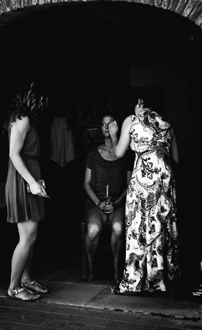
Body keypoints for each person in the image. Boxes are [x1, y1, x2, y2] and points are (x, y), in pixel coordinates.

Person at [113, 98, 180, 294]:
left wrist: (116, 133)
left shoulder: (132, 120)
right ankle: (164, 278)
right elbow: (176, 158)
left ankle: (136, 280)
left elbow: (118, 152)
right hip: (164, 178)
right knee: (163, 224)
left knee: (139, 226)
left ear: (140, 102)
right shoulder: (168, 123)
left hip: (143, 178)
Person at [4, 82, 51, 302]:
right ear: (31, 97)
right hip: (22, 179)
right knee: (28, 236)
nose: (44, 103)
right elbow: (14, 154)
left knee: (32, 236)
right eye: (42, 98)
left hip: (29, 174)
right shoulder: (22, 119)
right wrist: (32, 182)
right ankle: (13, 287)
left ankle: (26, 279)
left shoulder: (26, 119)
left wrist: (35, 179)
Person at [83, 113, 132, 285]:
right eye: (103, 124)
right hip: (97, 204)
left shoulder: (125, 154)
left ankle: (116, 266)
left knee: (119, 229)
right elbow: (86, 183)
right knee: (93, 230)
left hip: (118, 204)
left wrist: (118, 202)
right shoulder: (93, 154)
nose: (106, 127)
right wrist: (99, 203)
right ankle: (90, 264)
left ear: (117, 127)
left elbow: (130, 184)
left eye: (110, 123)